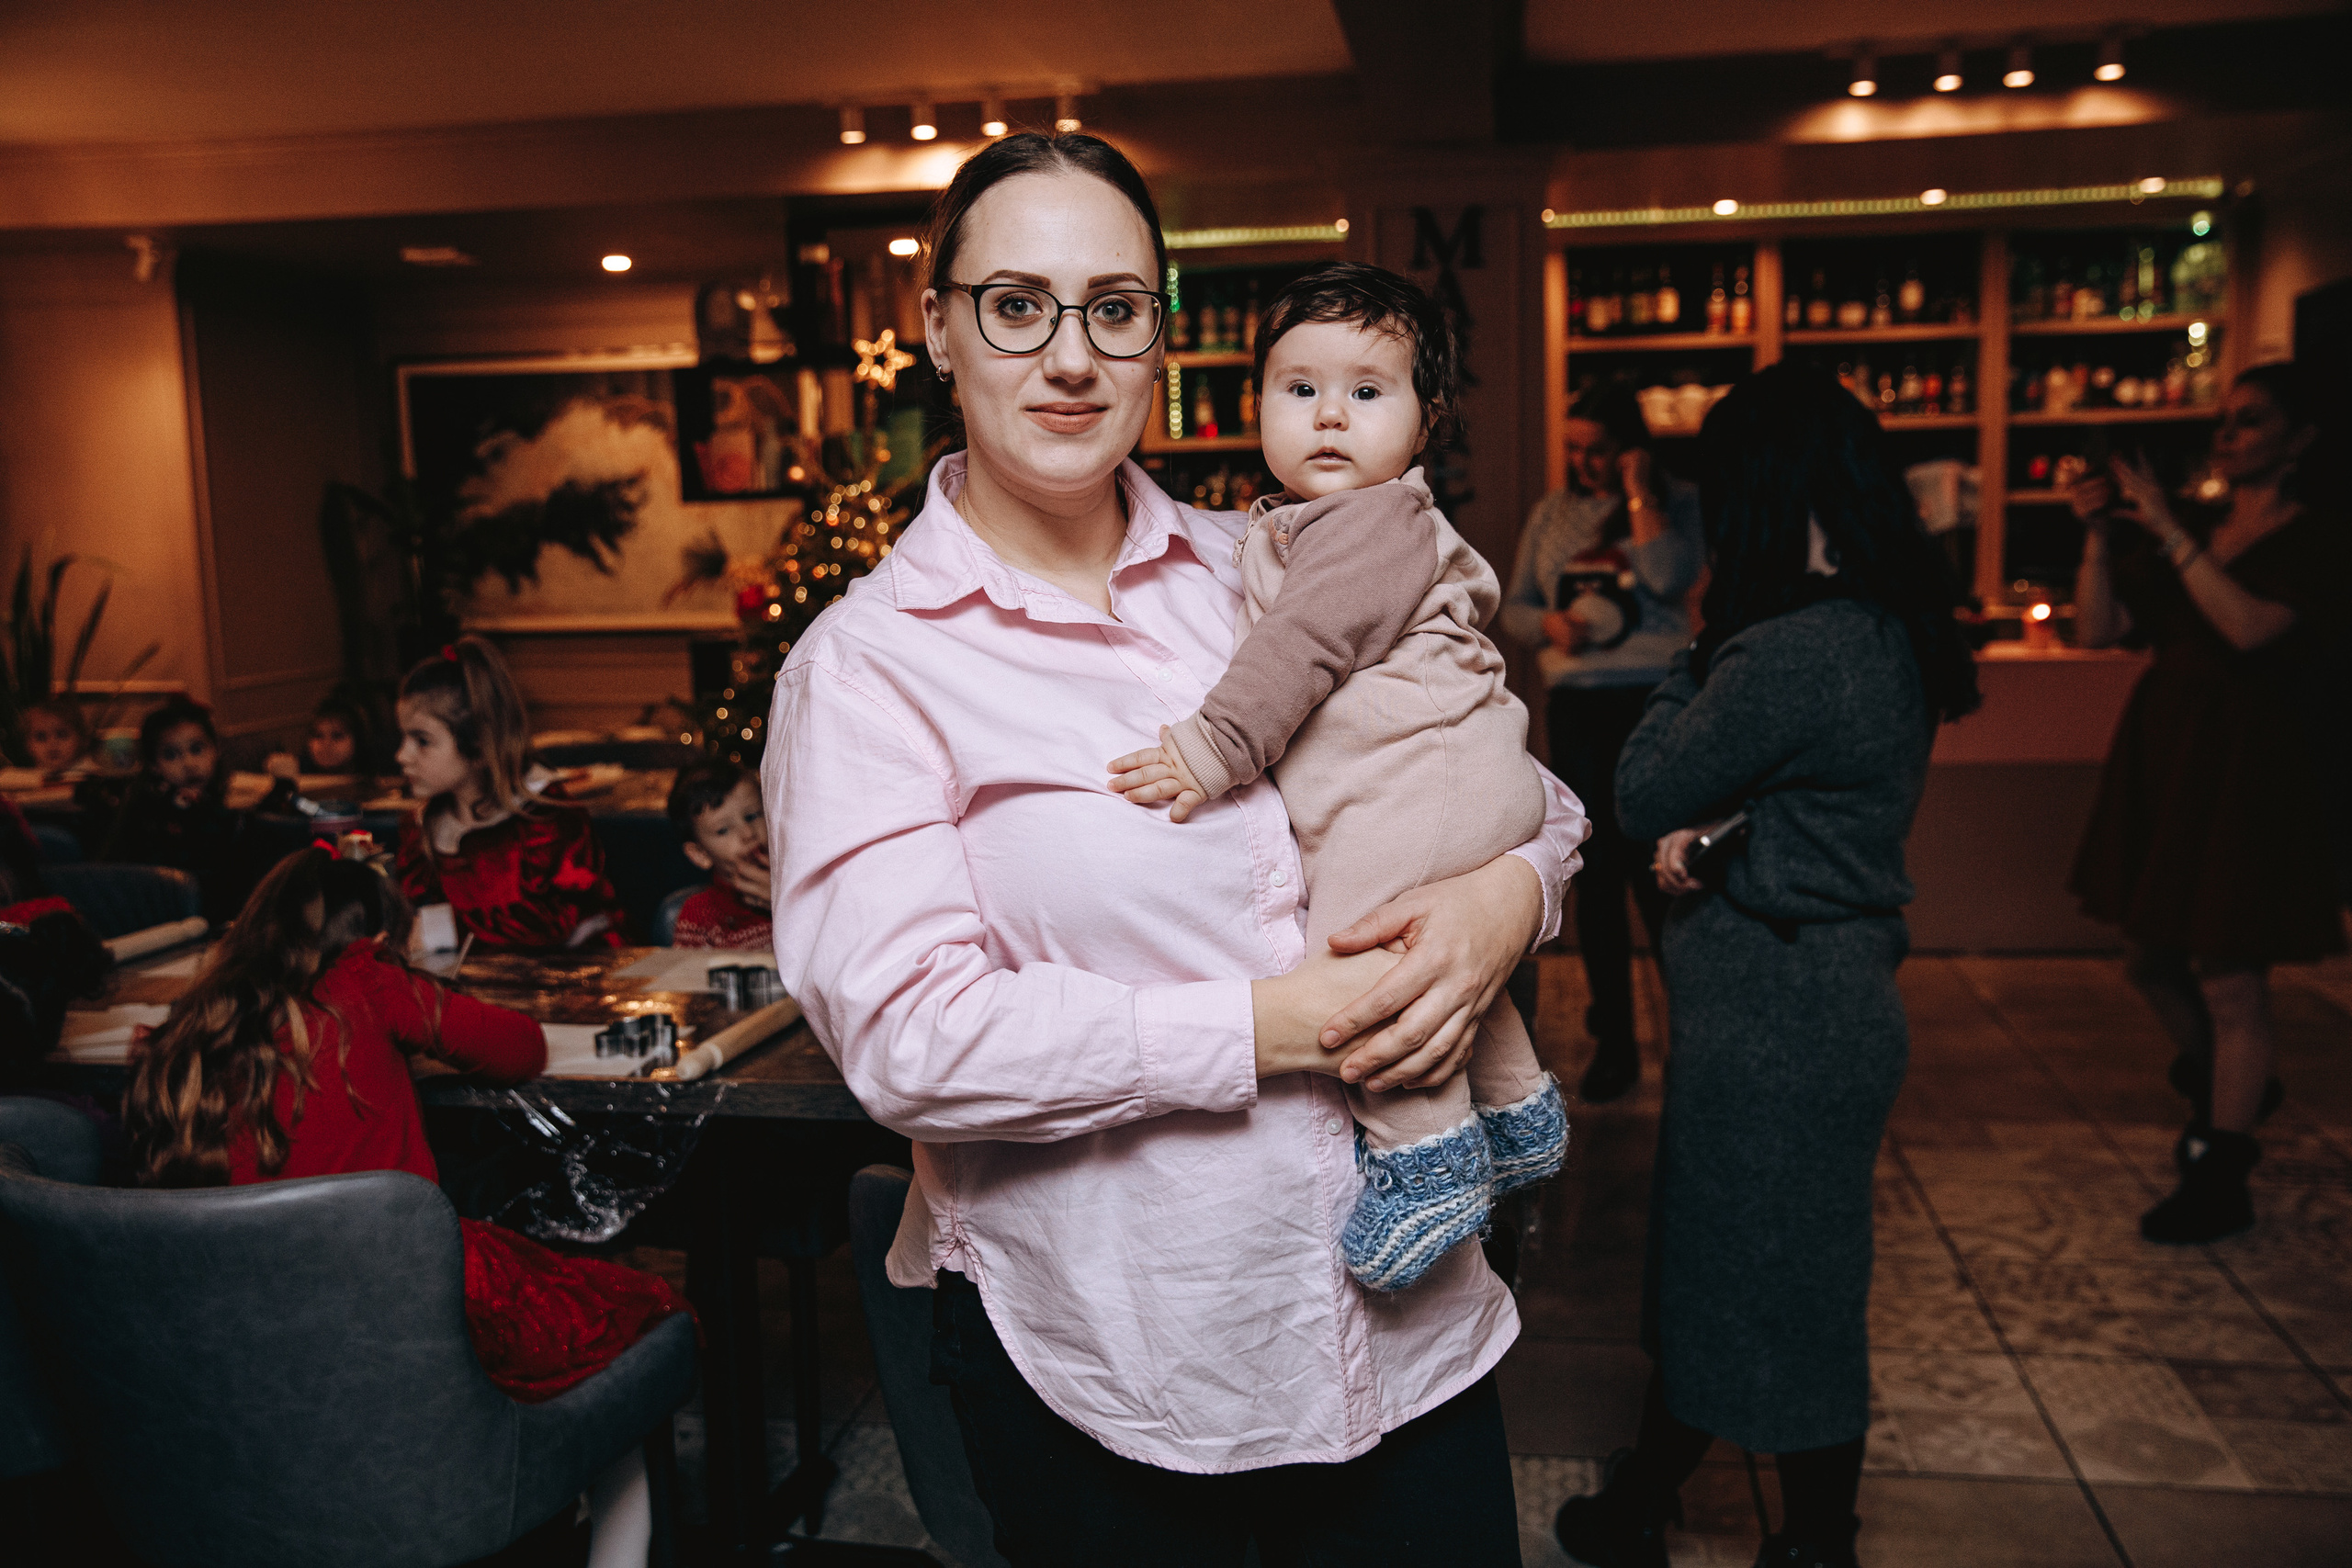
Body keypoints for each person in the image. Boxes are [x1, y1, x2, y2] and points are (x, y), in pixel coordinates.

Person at [767, 131, 1589, 1563]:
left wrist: (1504, 905)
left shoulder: (1276, 560)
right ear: (939, 326)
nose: (1071, 356)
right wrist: (1274, 1024)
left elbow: (1499, 765)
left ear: (1164, 337)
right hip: (1126, 1374)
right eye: (1018, 304)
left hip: (1409, 1344)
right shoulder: (871, 668)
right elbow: (909, 1037)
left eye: (1116, 307)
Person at [1554, 364, 1981, 1568]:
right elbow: (1815, 797)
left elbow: (1641, 786)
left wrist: (1694, 654)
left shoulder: (1792, 646)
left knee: (1772, 1289)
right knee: (1745, 1269)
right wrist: (1731, 835)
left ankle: (1806, 1540)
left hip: (1780, 1016)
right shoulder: (1882, 627)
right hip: (1815, 996)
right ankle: (1651, 1499)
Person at [1107, 262, 1569, 1292]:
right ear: (1255, 400)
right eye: (1299, 387)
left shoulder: (1370, 523)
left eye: (1367, 392)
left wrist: (1209, 748)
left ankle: (1424, 1160)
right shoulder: (1298, 525)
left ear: (1425, 418)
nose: (1329, 416)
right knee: (1435, 961)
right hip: (1447, 781)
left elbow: (1302, 646)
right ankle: (1515, 1105)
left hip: (1422, 783)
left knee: (1361, 965)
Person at [121, 847, 688, 1568]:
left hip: (247, 1342)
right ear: (378, 937)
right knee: (630, 1320)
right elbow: (522, 1048)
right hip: (392, 1312)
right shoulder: (365, 980)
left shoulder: (186, 1028)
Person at [2066, 362, 2346, 1244]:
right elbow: (2096, 629)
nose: (2228, 436)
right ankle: (2237, 1085)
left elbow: (2250, 627)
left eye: (2251, 421)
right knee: (2149, 958)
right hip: (2171, 753)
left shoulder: (2317, 540)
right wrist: (2100, 538)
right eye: (2223, 421)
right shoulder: (2195, 529)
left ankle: (2221, 1167)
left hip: (2251, 764)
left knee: (2232, 975)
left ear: (2300, 441)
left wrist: (2164, 526)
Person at [1503, 382, 1703, 1103]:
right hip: (1580, 704)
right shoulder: (1552, 515)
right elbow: (1517, 602)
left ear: (1631, 448)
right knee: (1600, 876)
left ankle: (1691, 1043)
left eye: (1600, 450)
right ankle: (1614, 1041)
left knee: (1661, 871)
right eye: (1575, 450)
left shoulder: (1676, 503)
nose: (1584, 462)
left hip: (1654, 699)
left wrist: (1640, 492)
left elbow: (1668, 575)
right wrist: (1547, 628)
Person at [393, 637, 627, 950]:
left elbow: (556, 921)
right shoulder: (422, 829)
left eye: (421, 741)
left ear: (478, 742)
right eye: (404, 738)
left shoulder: (545, 816)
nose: (402, 755)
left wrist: (448, 931)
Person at [101, 694, 257, 923]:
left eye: (197, 749)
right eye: (171, 755)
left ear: (216, 749)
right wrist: (189, 814)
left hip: (226, 913)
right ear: (154, 765)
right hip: (166, 914)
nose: (188, 763)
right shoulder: (146, 807)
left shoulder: (233, 797)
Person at [665, 759, 772, 950]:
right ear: (699, 854)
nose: (748, 834)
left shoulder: (804, 887)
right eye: (723, 830)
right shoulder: (698, 918)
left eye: (752, 816)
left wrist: (783, 902)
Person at [23, 697, 96, 776]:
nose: (52, 743)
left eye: (62, 735)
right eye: (41, 737)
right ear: (28, 744)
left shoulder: (90, 777)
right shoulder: (32, 778)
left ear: (82, 739)